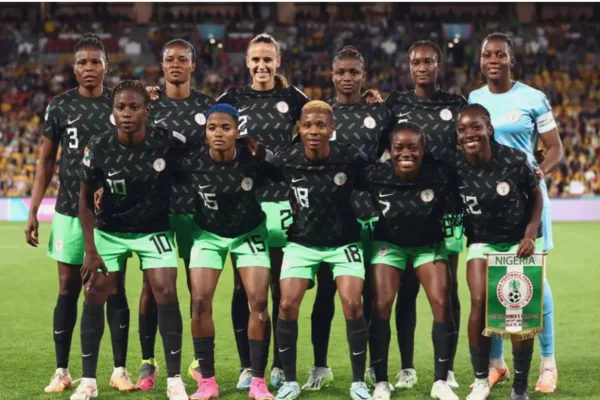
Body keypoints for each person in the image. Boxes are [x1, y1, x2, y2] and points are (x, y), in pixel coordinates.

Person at [24, 33, 134, 393]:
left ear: (106, 66)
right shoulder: (60, 106)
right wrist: (33, 209)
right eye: (82, 62)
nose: (89, 68)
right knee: (68, 288)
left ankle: (119, 370)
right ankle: (61, 370)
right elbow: (46, 162)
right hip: (69, 210)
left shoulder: (119, 105)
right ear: (74, 68)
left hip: (112, 215)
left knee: (115, 289)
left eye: (95, 61)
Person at [74, 80, 188, 400]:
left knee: (167, 291)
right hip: (110, 230)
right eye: (121, 107)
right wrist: (90, 249)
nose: (126, 113)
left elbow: (199, 152)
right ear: (113, 111)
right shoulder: (99, 145)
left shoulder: (166, 141)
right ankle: (88, 382)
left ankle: (175, 380)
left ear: (147, 110)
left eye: (134, 107)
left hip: (153, 230)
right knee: (94, 293)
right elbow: (84, 198)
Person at [469, 32, 563, 393]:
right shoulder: (475, 99)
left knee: (535, 280)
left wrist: (539, 172)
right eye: (487, 55)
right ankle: (497, 365)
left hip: (527, 201)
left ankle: (548, 363)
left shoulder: (532, 98)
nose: (493, 60)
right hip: (489, 207)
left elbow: (554, 148)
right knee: (492, 284)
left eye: (500, 54)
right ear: (480, 61)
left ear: (512, 59)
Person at [217, 32, 309, 390]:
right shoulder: (232, 99)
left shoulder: (293, 98)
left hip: (284, 203)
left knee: (280, 290)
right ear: (247, 63)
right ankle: (247, 365)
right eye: (255, 59)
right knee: (243, 289)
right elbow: (206, 130)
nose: (261, 65)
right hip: (244, 203)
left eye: (267, 59)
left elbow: (319, 128)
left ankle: (280, 366)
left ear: (277, 62)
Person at [302, 45, 392, 392]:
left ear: (364, 76)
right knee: (325, 292)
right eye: (341, 72)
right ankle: (320, 365)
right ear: (332, 75)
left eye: (354, 72)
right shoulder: (321, 114)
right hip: (329, 217)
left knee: (368, 294)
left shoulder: (380, 113)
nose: (348, 77)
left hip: (372, 215)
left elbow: (398, 148)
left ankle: (369, 365)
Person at [273, 100, 372, 400]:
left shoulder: (350, 157)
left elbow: (374, 176)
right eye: (307, 125)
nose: (313, 131)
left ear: (332, 129)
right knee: (287, 304)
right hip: (302, 242)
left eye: (320, 125)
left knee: (352, 303)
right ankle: (290, 381)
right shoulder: (287, 158)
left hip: (344, 242)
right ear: (299, 129)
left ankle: (358, 382)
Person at [384, 40, 467, 390]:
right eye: (416, 62)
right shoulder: (396, 104)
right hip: (406, 208)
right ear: (408, 66)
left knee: (449, 289)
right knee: (406, 289)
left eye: (429, 62)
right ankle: (406, 367)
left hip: (448, 208)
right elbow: (381, 147)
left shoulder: (456, 104)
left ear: (439, 65)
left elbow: (469, 146)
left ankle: (447, 369)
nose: (422, 67)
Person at [135, 38, 215, 391]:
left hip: (198, 209)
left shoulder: (207, 106)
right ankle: (148, 360)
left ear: (193, 65)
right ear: (162, 64)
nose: (176, 64)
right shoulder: (149, 105)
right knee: (152, 288)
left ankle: (198, 361)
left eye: (183, 59)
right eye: (170, 59)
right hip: (159, 208)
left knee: (198, 290)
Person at [182, 104, 276, 400]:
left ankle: (258, 381)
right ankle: (207, 382)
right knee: (199, 303)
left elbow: (286, 173)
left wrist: (266, 155)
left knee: (258, 301)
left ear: (237, 131)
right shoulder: (192, 161)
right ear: (205, 132)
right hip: (208, 235)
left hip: (249, 233)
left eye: (225, 128)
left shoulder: (253, 159)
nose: (218, 133)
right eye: (212, 128)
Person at [455, 104, 543, 400]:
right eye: (462, 129)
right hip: (482, 241)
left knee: (517, 311)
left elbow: (536, 196)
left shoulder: (514, 160)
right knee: (479, 301)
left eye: (476, 127)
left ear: (489, 129)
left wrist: (530, 234)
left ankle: (520, 385)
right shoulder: (454, 165)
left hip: (517, 242)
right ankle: (481, 379)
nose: (470, 134)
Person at [367, 121, 459, 400]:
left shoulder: (439, 175)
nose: (406, 153)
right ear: (390, 149)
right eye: (399, 148)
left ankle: (440, 381)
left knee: (442, 302)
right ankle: (381, 381)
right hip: (389, 246)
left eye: (413, 147)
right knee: (381, 304)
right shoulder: (375, 174)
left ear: (423, 149)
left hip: (428, 246)